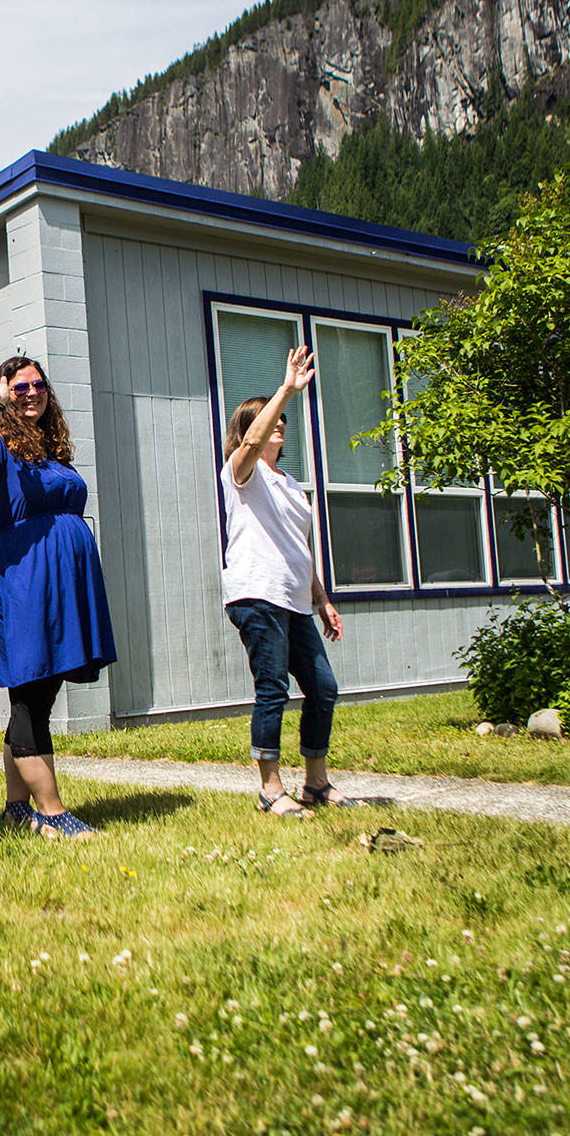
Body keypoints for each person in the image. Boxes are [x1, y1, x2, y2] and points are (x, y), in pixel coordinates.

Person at [0, 355, 117, 840]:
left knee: (37, 698)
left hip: (61, 583)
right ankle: (51, 811)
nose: (30, 393)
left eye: (37, 385)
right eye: (18, 387)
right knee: (29, 693)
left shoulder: (48, 449)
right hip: (23, 581)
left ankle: (16, 807)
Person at [220, 347, 353, 816]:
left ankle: (315, 784)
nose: (278, 424)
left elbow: (300, 546)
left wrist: (322, 599)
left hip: (296, 600)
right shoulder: (240, 472)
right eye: (265, 419)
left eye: (280, 419)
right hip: (257, 595)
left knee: (322, 687)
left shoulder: (291, 485)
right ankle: (270, 788)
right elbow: (251, 445)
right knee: (272, 687)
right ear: (247, 430)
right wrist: (285, 390)